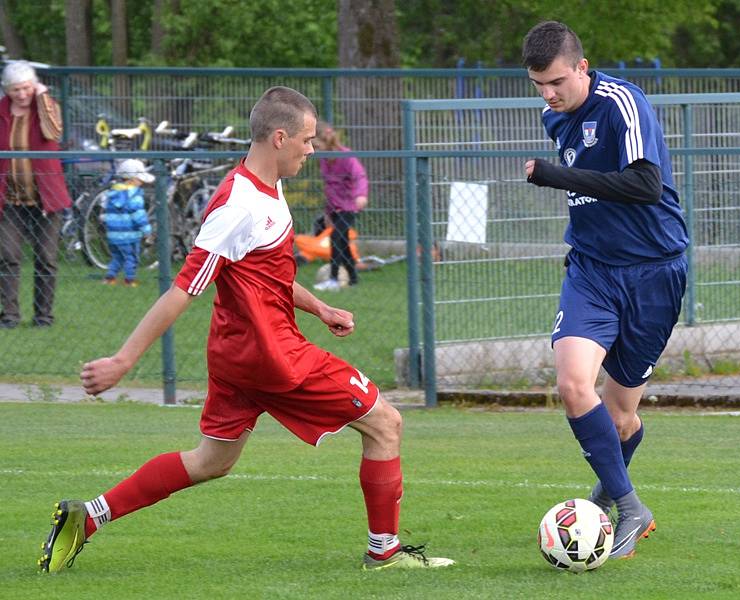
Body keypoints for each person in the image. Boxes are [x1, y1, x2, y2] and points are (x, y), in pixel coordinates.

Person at [38, 86, 453, 573]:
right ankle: (383, 551)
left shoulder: (265, 187)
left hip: (238, 355)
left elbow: (265, 274)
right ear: (280, 137)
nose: (311, 149)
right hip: (274, 358)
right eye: (307, 139)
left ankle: (86, 518)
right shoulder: (237, 206)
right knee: (386, 424)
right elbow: (182, 289)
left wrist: (320, 308)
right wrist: (123, 361)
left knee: (211, 461)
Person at [522, 21, 688, 559]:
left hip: (654, 272)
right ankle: (631, 508)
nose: (549, 95)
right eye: (539, 85)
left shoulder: (623, 102)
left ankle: (606, 503)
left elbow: (644, 185)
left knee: (620, 419)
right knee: (573, 385)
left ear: (581, 67)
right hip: (591, 271)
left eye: (556, 82)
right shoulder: (556, 118)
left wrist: (557, 177)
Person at [0, 61, 72, 328]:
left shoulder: (47, 105)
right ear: (7, 90)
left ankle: (43, 316)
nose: (21, 94)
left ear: (35, 86)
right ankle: (9, 316)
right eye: (16, 89)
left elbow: (53, 132)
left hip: (45, 198)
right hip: (9, 199)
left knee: (46, 257)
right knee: (8, 257)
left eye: (27, 88)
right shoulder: (1, 112)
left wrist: (42, 97)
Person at [312, 121, 368, 291]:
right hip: (335, 208)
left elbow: (360, 176)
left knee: (336, 239)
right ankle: (353, 278)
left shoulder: (346, 156)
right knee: (343, 243)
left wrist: (361, 195)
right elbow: (329, 188)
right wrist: (328, 213)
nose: (312, 149)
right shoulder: (323, 160)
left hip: (349, 206)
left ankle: (334, 279)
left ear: (324, 142)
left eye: (315, 144)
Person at [102, 158, 154, 287]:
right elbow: (139, 216)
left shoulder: (113, 193)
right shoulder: (135, 196)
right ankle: (129, 280)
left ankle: (110, 278)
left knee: (117, 257)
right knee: (131, 257)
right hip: (130, 235)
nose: (142, 182)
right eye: (140, 179)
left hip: (113, 234)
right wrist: (147, 230)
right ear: (132, 179)